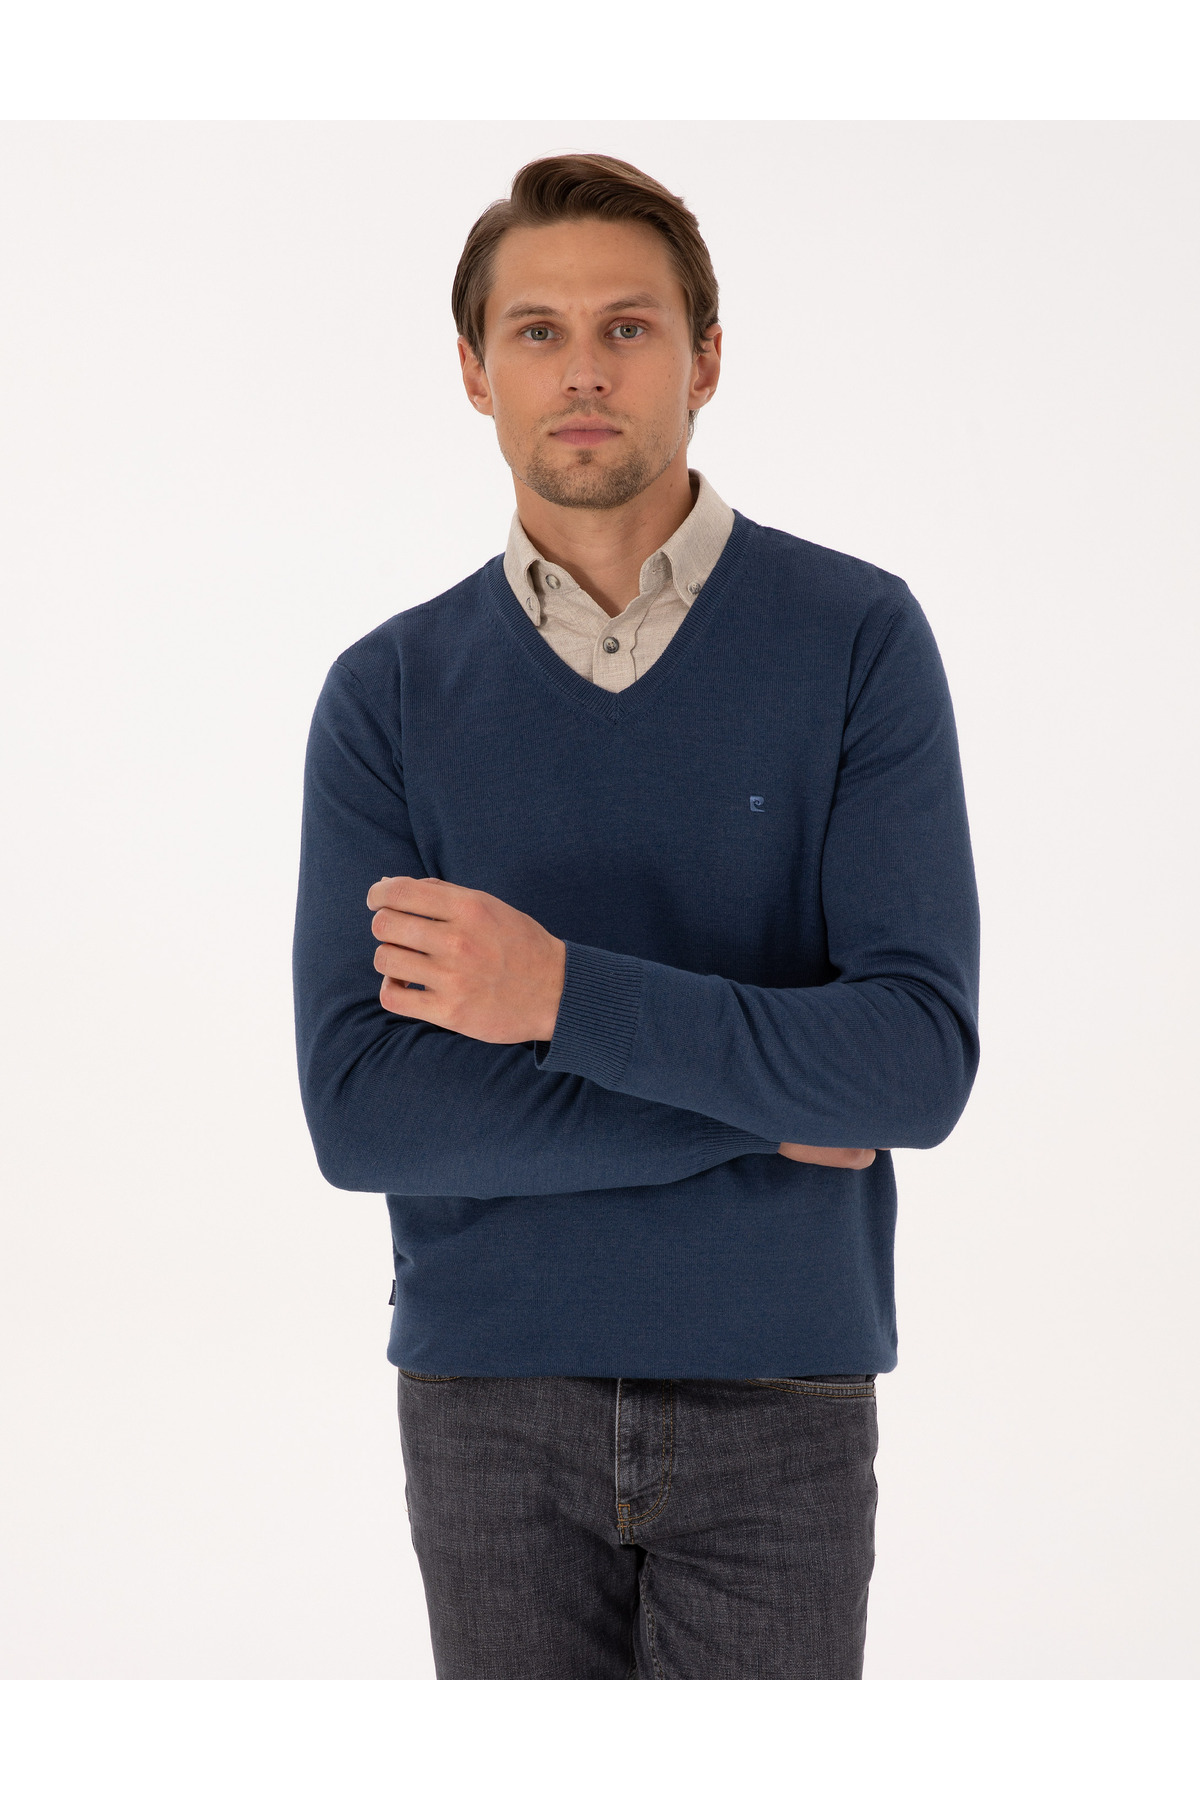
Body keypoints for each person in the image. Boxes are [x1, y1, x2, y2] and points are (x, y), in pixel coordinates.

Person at [292, 153, 980, 1680]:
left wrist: (555, 998)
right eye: (536, 331)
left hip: (781, 1387)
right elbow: (365, 1115)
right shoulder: (388, 696)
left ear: (705, 359)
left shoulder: (857, 641)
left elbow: (914, 1066)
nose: (583, 370)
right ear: (474, 372)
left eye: (628, 327)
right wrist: (763, 1108)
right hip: (487, 1399)